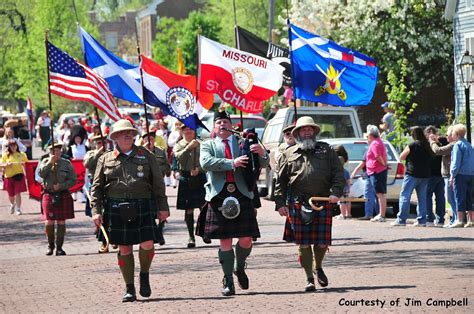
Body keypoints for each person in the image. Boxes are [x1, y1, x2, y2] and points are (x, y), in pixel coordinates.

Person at [91, 119, 169, 302]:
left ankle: (144, 274)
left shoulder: (146, 155)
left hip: (143, 204)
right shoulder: (105, 158)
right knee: (125, 248)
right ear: (115, 137)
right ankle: (129, 287)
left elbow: (158, 183)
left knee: (147, 243)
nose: (128, 135)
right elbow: (97, 188)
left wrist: (163, 207)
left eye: (131, 133)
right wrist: (96, 210)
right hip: (117, 207)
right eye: (123, 133)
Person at [197, 111, 268, 296]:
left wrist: (263, 153)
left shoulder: (242, 142)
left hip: (242, 192)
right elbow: (206, 163)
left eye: (225, 122)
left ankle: (239, 266)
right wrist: (232, 162)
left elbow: (262, 163)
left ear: (231, 126)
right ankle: (228, 279)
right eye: (218, 122)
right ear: (214, 127)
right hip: (219, 194)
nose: (222, 125)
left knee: (246, 239)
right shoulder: (208, 144)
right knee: (225, 240)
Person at [275, 116, 345, 292]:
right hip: (298, 203)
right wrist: (280, 202)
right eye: (303, 129)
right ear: (297, 133)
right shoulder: (289, 153)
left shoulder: (326, 150)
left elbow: (338, 173)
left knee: (322, 243)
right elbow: (280, 181)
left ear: (314, 132)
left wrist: (336, 192)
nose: (307, 132)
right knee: (303, 243)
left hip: (322, 201)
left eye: (310, 129)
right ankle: (309, 278)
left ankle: (318, 266)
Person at [38, 142, 77, 256]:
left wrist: (61, 186)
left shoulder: (66, 163)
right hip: (48, 194)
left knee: (61, 221)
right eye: (54, 151)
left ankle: (59, 248)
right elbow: (40, 174)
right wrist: (50, 162)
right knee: (49, 221)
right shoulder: (44, 162)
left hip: (62, 194)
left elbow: (73, 179)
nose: (57, 153)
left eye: (59, 151)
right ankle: (50, 246)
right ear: (50, 152)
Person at [391, 126, 433, 227]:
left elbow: (402, 156)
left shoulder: (412, 145)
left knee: (405, 196)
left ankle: (401, 219)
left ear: (413, 135)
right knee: (422, 198)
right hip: (424, 174)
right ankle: (422, 220)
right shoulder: (427, 145)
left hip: (412, 174)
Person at [174, 124, 206, 248]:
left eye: (190, 128)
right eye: (185, 129)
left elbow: (208, 161)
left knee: (203, 207)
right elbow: (179, 160)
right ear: (182, 131)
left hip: (200, 176)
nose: (188, 131)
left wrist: (200, 169)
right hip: (186, 178)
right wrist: (188, 148)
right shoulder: (179, 145)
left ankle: (204, 233)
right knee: (189, 208)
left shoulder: (202, 144)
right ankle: (191, 237)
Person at [140, 128, 171, 245]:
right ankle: (155, 235)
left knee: (163, 211)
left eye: (152, 138)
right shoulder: (138, 153)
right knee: (150, 212)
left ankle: (159, 231)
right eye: (147, 138)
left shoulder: (160, 151)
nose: (150, 140)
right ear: (143, 140)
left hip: (158, 185)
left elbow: (167, 167)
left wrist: (161, 172)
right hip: (145, 186)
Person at [83, 134, 109, 252]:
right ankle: (104, 241)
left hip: (110, 185)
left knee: (111, 213)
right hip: (97, 185)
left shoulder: (111, 153)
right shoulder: (90, 154)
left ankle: (114, 239)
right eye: (98, 143)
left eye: (103, 142)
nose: (101, 145)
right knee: (99, 213)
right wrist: (98, 153)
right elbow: (87, 164)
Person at [429, 126, 456, 226]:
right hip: (444, 174)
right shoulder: (450, 143)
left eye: (447, 134)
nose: (445, 136)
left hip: (446, 174)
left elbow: (439, 151)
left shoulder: (453, 144)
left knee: (450, 198)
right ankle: (451, 219)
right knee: (446, 198)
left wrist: (432, 142)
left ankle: (456, 219)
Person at [448, 124, 474, 228]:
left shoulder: (457, 145)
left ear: (457, 134)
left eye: (453, 132)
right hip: (471, 174)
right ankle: (471, 220)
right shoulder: (469, 145)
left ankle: (460, 220)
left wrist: (452, 176)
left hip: (461, 175)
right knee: (470, 197)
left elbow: (456, 163)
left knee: (459, 197)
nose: (452, 134)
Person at [364, 125, 388, 222]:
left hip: (376, 171)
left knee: (380, 194)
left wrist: (384, 164)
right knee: (379, 193)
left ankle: (382, 215)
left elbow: (377, 156)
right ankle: (380, 214)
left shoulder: (374, 144)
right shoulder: (378, 142)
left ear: (370, 135)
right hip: (375, 170)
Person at [423, 126, 446, 227]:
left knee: (427, 196)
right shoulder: (442, 142)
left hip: (431, 174)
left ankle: (429, 219)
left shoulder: (427, 144)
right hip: (440, 174)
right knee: (440, 197)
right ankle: (440, 220)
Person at [1, 140, 28, 215]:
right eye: (11, 146)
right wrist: (6, 164)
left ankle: (18, 209)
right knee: (11, 195)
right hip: (9, 177)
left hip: (19, 176)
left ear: (17, 146)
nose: (13, 147)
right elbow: (1, 164)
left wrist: (24, 164)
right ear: (9, 147)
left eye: (14, 145)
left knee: (18, 193)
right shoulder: (5, 155)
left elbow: (27, 164)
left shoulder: (22, 154)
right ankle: (12, 204)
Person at [334, 145, 352, 219]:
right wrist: (349, 187)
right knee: (347, 201)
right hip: (346, 189)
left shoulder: (337, 172)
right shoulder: (346, 172)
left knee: (341, 202)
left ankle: (342, 214)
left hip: (340, 188)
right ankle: (349, 214)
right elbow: (348, 181)